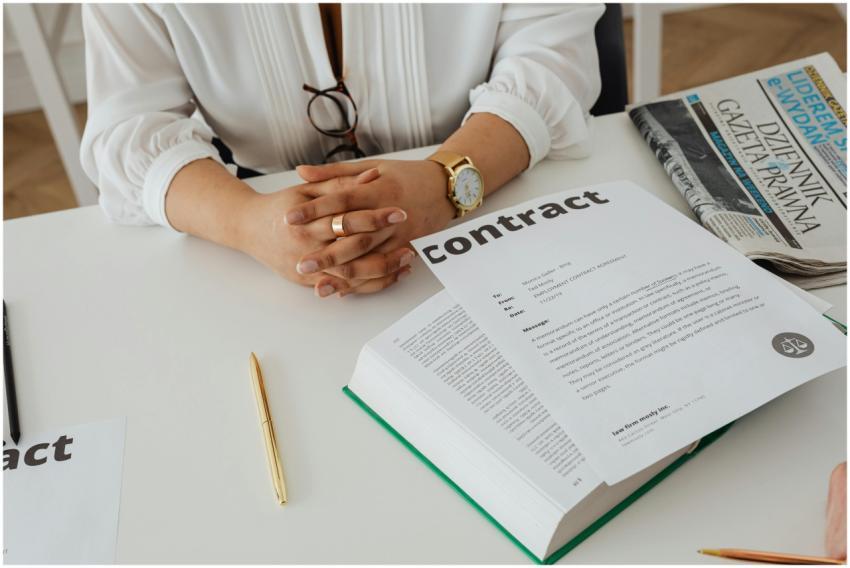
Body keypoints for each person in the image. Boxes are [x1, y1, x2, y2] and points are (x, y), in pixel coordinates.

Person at [80, 4, 604, 296]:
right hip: (265, 250)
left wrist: (446, 183)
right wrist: (246, 221)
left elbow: (550, 61)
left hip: (493, 207)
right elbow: (128, 128)